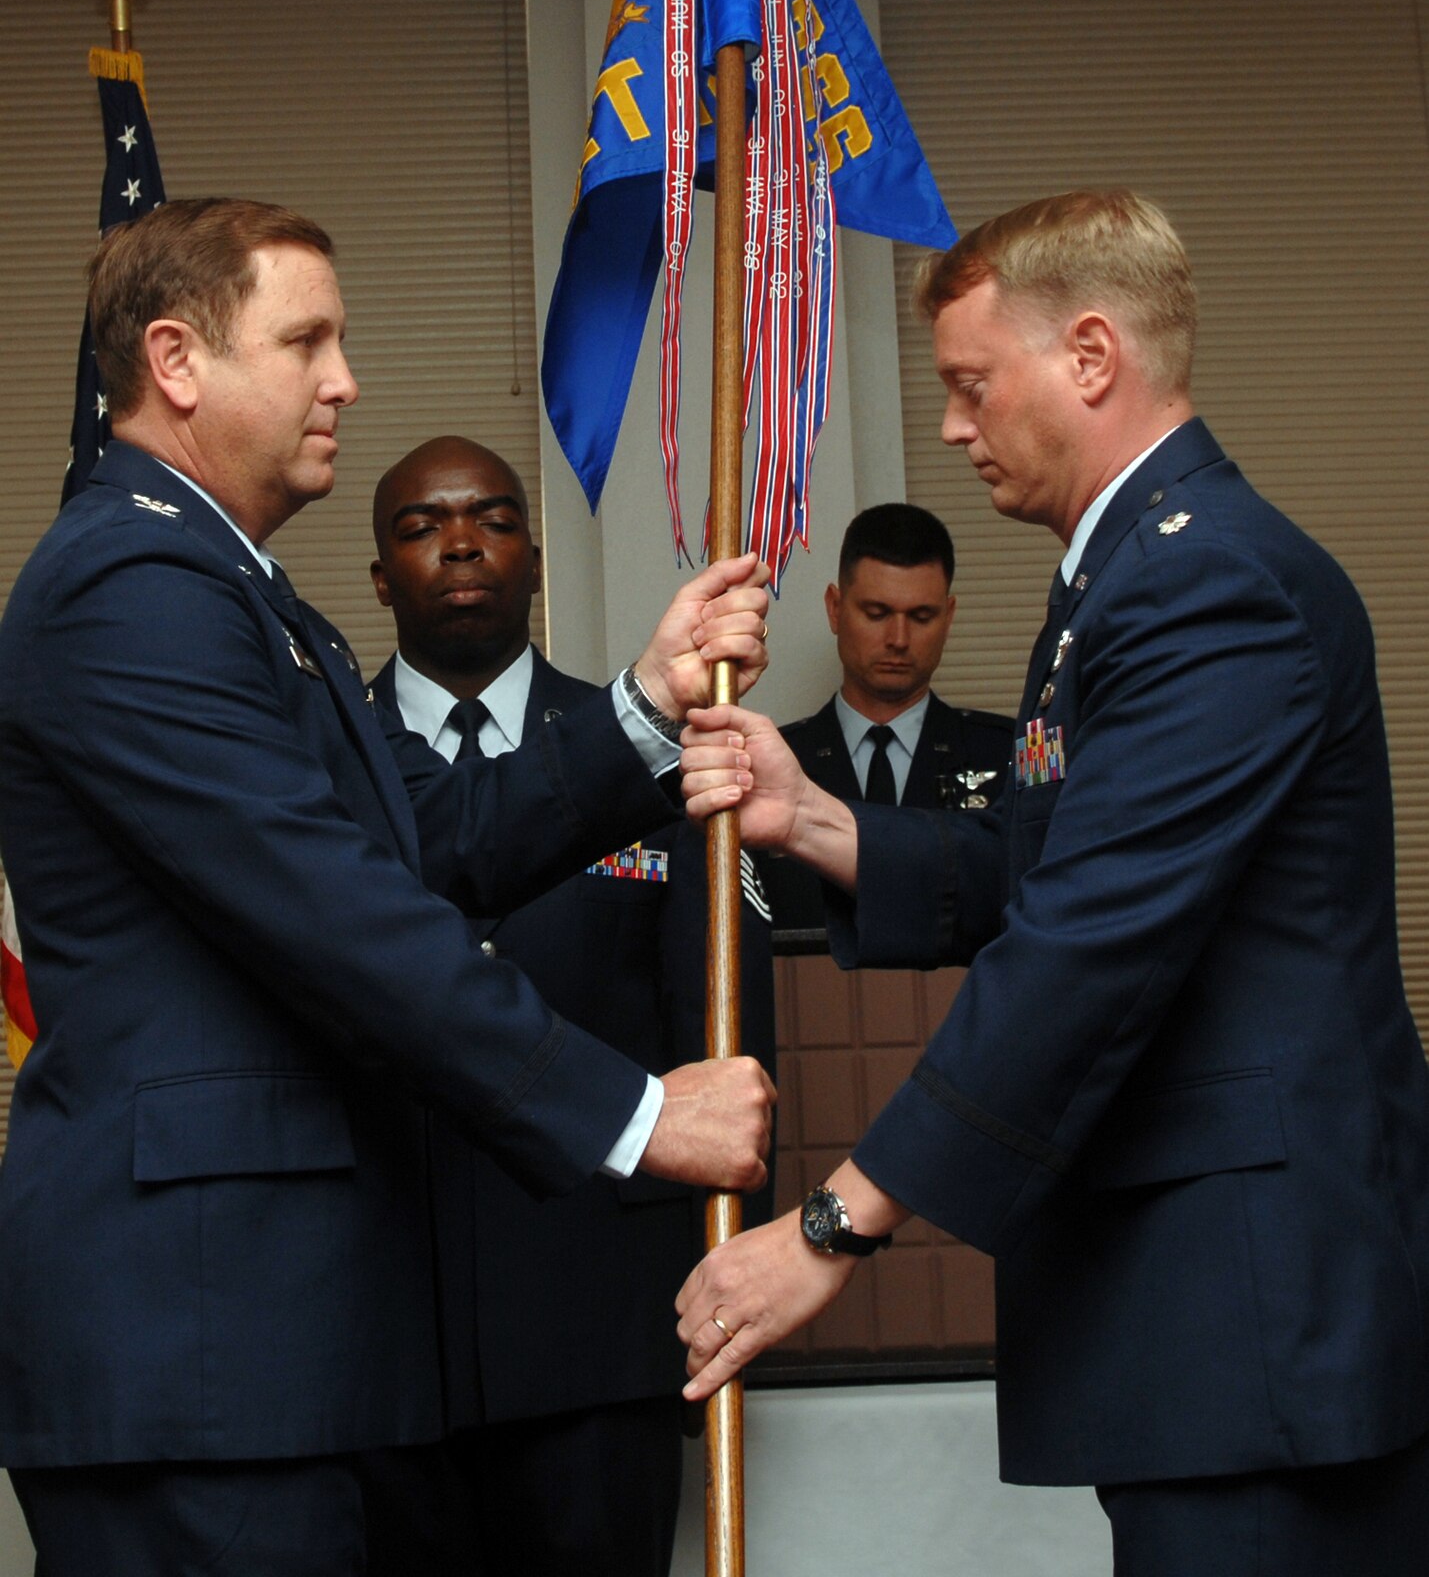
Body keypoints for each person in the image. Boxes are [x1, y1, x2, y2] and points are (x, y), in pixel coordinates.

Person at [0, 198, 775, 1577]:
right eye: (305, 340)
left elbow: (413, 837)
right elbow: (336, 915)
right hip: (204, 1346)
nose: (345, 378)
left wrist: (646, 710)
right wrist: (637, 1113)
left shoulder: (239, 591)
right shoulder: (129, 580)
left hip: (276, 1348)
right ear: (176, 362)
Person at [677, 189, 1429, 1575]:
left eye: (971, 386)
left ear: (1090, 357)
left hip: (1253, 1306)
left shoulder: (1208, 590)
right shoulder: (1128, 578)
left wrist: (835, 1225)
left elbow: (1089, 943)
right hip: (1197, 1307)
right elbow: (1058, 868)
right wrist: (821, 824)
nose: (954, 427)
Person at [366, 434, 774, 1577]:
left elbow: (727, 1038)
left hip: (603, 1340)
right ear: (378, 577)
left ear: (535, 558)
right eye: (421, 523)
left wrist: (733, 1301)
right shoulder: (320, 771)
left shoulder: (651, 752)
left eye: (493, 516)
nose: (459, 541)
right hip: (379, 1343)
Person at [762, 502, 1011, 934]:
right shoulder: (775, 766)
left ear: (948, 618)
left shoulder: (1005, 755)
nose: (898, 639)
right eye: (876, 614)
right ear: (835, 609)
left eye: (921, 617)